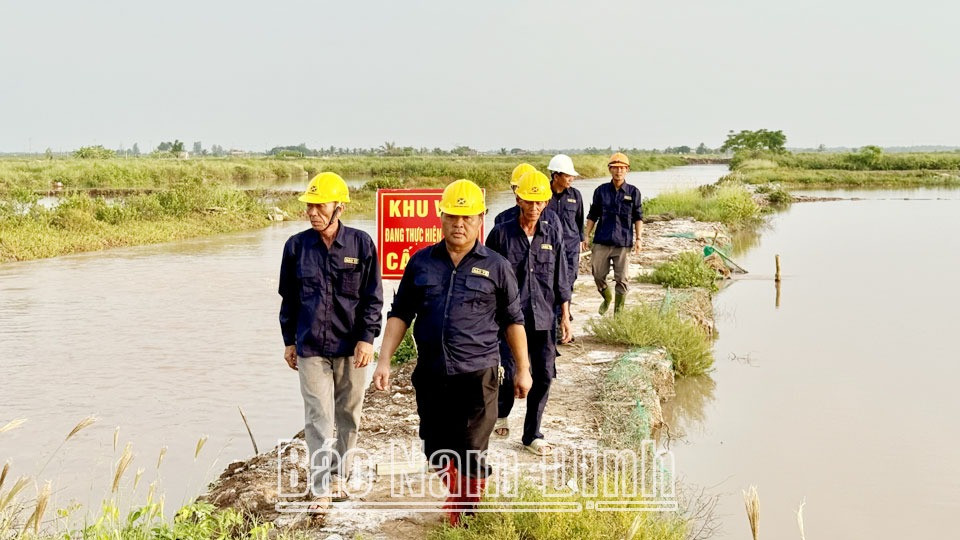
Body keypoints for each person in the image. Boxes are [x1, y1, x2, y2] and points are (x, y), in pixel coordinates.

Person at [373, 179, 532, 527]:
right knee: (436, 449)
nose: (459, 225)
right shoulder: (420, 264)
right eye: (452, 217)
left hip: (479, 374)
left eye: (467, 218)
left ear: (480, 219)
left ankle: (463, 514)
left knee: (472, 449)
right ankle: (463, 497)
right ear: (441, 217)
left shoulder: (496, 266)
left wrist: (524, 368)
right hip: (432, 374)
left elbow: (513, 320)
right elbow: (400, 314)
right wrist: (383, 360)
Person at [278, 172, 383, 500]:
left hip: (352, 348)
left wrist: (367, 338)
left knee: (348, 414)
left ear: (338, 207)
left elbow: (372, 297)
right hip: (311, 348)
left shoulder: (361, 244)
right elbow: (289, 300)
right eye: (309, 206)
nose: (312, 213)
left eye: (319, 206)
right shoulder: (296, 247)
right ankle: (321, 487)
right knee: (318, 416)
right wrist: (289, 341)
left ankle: (342, 474)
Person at [485, 170, 572, 456]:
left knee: (545, 374)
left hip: (544, 317)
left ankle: (532, 434)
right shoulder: (501, 233)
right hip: (509, 320)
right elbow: (487, 276)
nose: (534, 208)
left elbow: (561, 274)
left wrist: (565, 314)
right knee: (509, 373)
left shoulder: (553, 229)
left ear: (546, 202)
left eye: (540, 202)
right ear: (519, 199)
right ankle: (502, 411)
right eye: (529, 201)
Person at [583, 152, 643, 315]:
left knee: (622, 279)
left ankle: (618, 315)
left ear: (627, 170)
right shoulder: (601, 191)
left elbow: (638, 217)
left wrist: (638, 238)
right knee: (598, 274)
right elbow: (592, 215)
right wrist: (586, 235)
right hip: (602, 240)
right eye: (615, 168)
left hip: (623, 243)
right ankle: (607, 297)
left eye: (622, 168)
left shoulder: (633, 192)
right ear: (610, 169)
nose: (618, 171)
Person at [544, 154, 584, 333]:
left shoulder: (575, 195)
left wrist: (582, 240)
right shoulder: (544, 196)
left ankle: (563, 320)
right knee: (549, 283)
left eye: (572, 176)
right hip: (548, 249)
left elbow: (579, 219)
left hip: (570, 248)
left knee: (567, 283)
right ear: (556, 176)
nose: (571, 179)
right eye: (568, 176)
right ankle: (553, 320)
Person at [493, 163, 557, 226]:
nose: (521, 192)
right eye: (517, 187)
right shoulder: (502, 218)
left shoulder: (551, 218)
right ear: (512, 189)